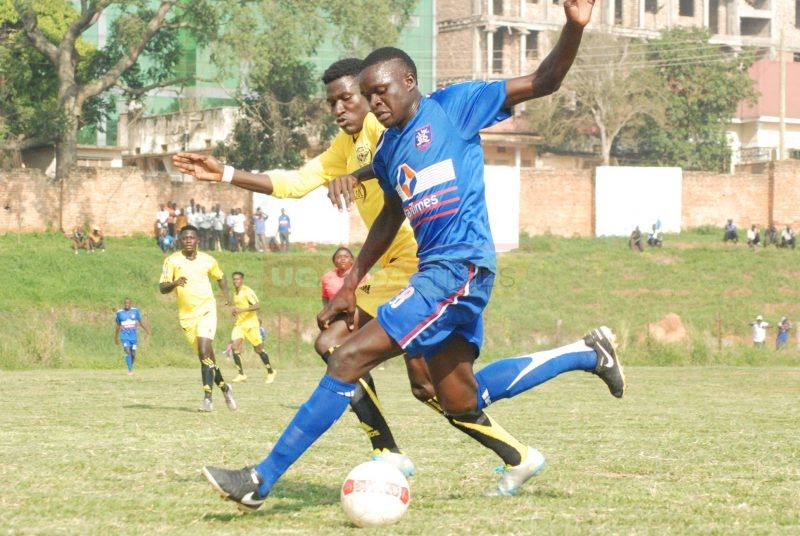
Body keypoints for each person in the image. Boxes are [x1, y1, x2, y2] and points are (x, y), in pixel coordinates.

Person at [196, 2, 626, 510]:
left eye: (381, 91)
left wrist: (574, 26)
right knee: (459, 399)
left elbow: (544, 79)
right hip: (438, 275)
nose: (376, 102)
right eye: (369, 94)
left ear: (409, 81)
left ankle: (261, 479)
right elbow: (388, 217)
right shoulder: (388, 151)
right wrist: (352, 279)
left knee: (348, 354)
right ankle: (586, 353)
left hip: (457, 270)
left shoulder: (457, 106)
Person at [159, 224, 237, 412]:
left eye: (191, 238)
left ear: (197, 240)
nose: (188, 241)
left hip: (206, 311)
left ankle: (207, 399)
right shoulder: (172, 261)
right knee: (207, 359)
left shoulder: (208, 260)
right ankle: (225, 389)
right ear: (180, 240)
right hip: (186, 317)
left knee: (204, 351)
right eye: (184, 238)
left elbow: (220, 277)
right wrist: (174, 283)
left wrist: (226, 296)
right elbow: (162, 288)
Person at [228, 271, 277, 383]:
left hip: (251, 324)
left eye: (238, 279)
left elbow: (257, 305)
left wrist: (242, 310)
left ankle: (270, 371)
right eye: (234, 279)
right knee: (234, 347)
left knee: (258, 349)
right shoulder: (235, 293)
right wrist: (235, 311)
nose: (236, 281)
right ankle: (241, 375)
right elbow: (239, 307)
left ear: (242, 280)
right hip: (240, 325)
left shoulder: (247, 291)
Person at [114, 298, 150, 375]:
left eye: (128, 303)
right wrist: (116, 337)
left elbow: (141, 322)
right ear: (124, 304)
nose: (127, 305)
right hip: (124, 336)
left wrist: (147, 330)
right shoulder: (120, 313)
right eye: (125, 303)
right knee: (127, 351)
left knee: (133, 353)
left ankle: (130, 364)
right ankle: (130, 370)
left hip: (133, 337)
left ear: (131, 304)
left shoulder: (135, 311)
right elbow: (118, 326)